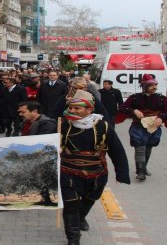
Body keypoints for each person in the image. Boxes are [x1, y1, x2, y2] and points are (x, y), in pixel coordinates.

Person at [59, 90, 130, 245]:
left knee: (89, 200)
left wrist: (122, 173)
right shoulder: (62, 125)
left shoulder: (102, 126)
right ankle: (73, 239)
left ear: (89, 110)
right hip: (68, 172)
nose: (72, 111)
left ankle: (81, 217)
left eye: (77, 108)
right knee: (71, 205)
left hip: (96, 173)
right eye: (70, 108)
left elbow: (116, 149)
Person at [117, 74, 167, 181]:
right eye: (151, 85)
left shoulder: (161, 99)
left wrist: (161, 118)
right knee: (140, 148)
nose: (154, 87)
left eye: (155, 85)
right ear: (144, 86)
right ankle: (140, 172)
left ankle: (144, 166)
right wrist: (133, 110)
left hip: (153, 127)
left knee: (148, 148)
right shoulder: (134, 97)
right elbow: (123, 108)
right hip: (138, 126)